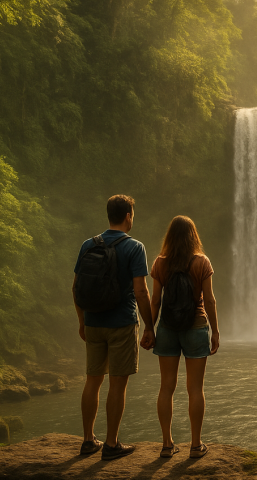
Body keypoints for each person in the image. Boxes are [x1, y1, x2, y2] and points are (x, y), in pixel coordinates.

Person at [73, 194, 154, 460]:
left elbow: (76, 288)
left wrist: (82, 321)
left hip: (93, 321)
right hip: (121, 323)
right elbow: (141, 291)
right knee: (117, 385)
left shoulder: (88, 244)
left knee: (93, 381)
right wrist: (150, 325)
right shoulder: (135, 247)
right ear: (128, 216)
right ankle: (111, 443)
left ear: (109, 215)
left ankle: (87, 440)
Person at [149, 216, 220, 459]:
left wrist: (149, 328)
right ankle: (196, 445)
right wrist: (216, 330)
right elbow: (209, 300)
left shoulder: (161, 263)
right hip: (196, 326)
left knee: (166, 387)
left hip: (167, 328)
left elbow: (156, 299)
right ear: (193, 236)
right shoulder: (202, 262)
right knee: (195, 389)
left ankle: (167, 445)